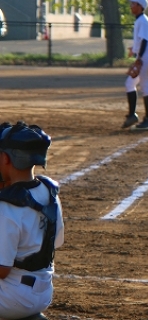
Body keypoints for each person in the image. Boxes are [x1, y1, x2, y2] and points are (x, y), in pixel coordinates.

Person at [0, 121, 64, 320]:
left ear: (5, 158)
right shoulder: (49, 192)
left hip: (12, 298)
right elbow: (57, 241)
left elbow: (2, 270)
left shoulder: (7, 206)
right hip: (43, 293)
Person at [122, 0, 148, 129]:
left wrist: (138, 59)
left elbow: (144, 41)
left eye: (133, 4)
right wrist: (134, 49)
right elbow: (141, 41)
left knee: (145, 87)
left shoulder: (142, 20)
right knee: (130, 84)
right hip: (145, 56)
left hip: (146, 57)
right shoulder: (140, 20)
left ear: (140, 6)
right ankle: (132, 115)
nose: (131, 6)